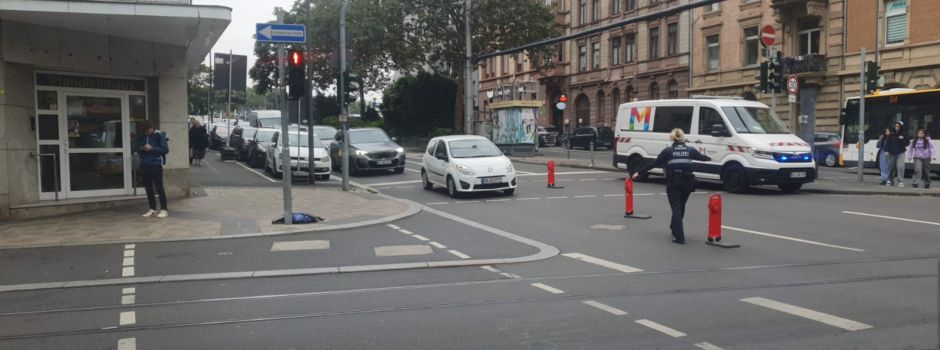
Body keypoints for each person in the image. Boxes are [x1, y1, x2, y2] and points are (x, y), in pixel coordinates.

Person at [633, 128, 712, 244]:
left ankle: (679, 237)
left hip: (674, 182)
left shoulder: (668, 151)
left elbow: (654, 163)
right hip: (688, 182)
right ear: (683, 138)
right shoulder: (690, 150)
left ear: (672, 138)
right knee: (681, 206)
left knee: (676, 208)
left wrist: (639, 172)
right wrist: (709, 157)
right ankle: (674, 227)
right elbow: (702, 157)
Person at [138, 121, 169, 218]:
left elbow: (165, 150)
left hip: (156, 164)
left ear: (151, 128)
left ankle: (164, 209)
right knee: (148, 187)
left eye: (148, 131)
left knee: (159, 187)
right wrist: (142, 148)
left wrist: (152, 148)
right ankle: (152, 208)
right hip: (144, 163)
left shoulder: (159, 135)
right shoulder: (143, 135)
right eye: (145, 132)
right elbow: (137, 147)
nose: (146, 133)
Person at [885, 121, 908, 186]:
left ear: (901, 127)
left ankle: (900, 181)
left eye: (898, 126)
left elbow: (907, 143)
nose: (897, 128)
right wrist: (886, 150)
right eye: (896, 126)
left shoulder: (904, 134)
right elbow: (888, 142)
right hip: (891, 152)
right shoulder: (891, 134)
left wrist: (903, 139)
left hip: (900, 152)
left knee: (900, 166)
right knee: (891, 166)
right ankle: (890, 179)